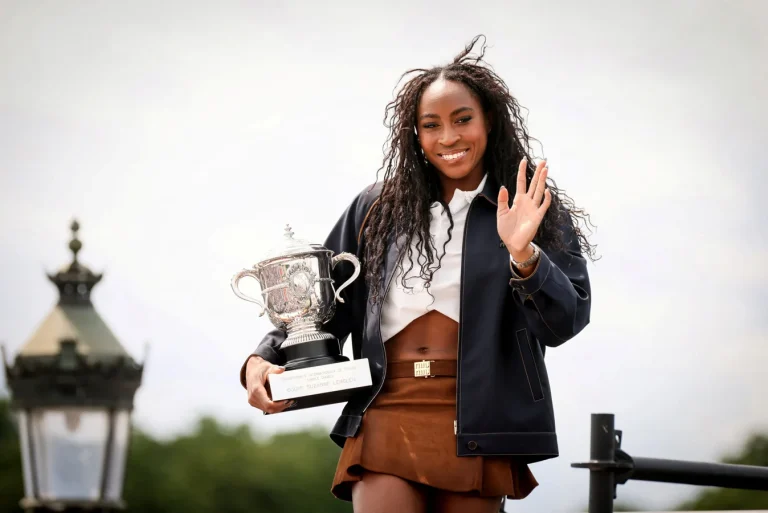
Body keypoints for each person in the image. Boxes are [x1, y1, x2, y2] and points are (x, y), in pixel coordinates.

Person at [240, 35, 595, 513]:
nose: (448, 138)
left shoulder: (531, 204)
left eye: (462, 119)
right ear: (415, 136)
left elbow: (563, 323)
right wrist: (262, 359)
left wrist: (524, 254)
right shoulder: (375, 210)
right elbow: (318, 306)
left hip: (480, 422)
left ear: (488, 120)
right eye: (432, 125)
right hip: (385, 407)